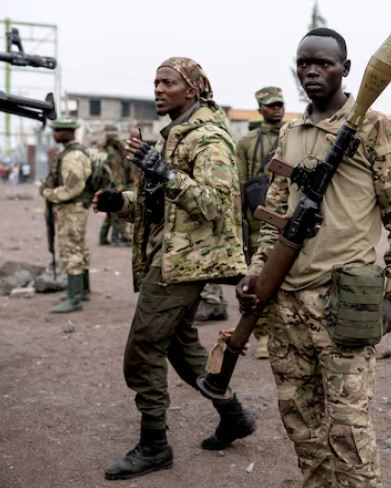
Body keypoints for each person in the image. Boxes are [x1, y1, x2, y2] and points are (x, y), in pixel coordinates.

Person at [238, 28, 391, 487]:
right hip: (286, 304)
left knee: (348, 427)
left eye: (323, 63)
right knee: (300, 420)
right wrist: (257, 272)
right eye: (304, 64)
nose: (312, 72)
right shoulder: (291, 132)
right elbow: (276, 216)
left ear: (346, 68)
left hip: (343, 300)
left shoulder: (377, 127)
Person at [93, 57, 255, 480]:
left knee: (143, 348)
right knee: (183, 350)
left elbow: (215, 205)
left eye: (167, 82)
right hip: (173, 257)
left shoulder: (209, 140)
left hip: (183, 263)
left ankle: (154, 445)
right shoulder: (176, 135)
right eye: (155, 81)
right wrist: (121, 201)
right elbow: (163, 205)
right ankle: (234, 414)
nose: (158, 88)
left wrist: (162, 170)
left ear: (193, 89)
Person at [218, 86, 285, 357]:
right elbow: (239, 183)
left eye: (280, 104)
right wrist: (238, 221)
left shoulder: (293, 135)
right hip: (257, 220)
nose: (277, 109)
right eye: (271, 105)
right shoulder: (246, 143)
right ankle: (262, 336)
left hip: (288, 215)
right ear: (260, 110)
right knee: (258, 277)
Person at [40, 116, 92, 313]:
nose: (54, 134)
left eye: (57, 131)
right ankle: (82, 290)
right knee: (79, 247)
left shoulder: (73, 156)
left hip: (71, 207)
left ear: (67, 132)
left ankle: (74, 298)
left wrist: (49, 194)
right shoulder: (71, 152)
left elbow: (73, 187)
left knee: (71, 250)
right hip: (74, 208)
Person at [99, 128, 130, 246]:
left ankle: (103, 238)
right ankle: (115, 239)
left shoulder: (108, 151)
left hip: (107, 187)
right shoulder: (112, 154)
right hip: (113, 187)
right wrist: (119, 186)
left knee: (109, 215)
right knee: (116, 213)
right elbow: (114, 171)